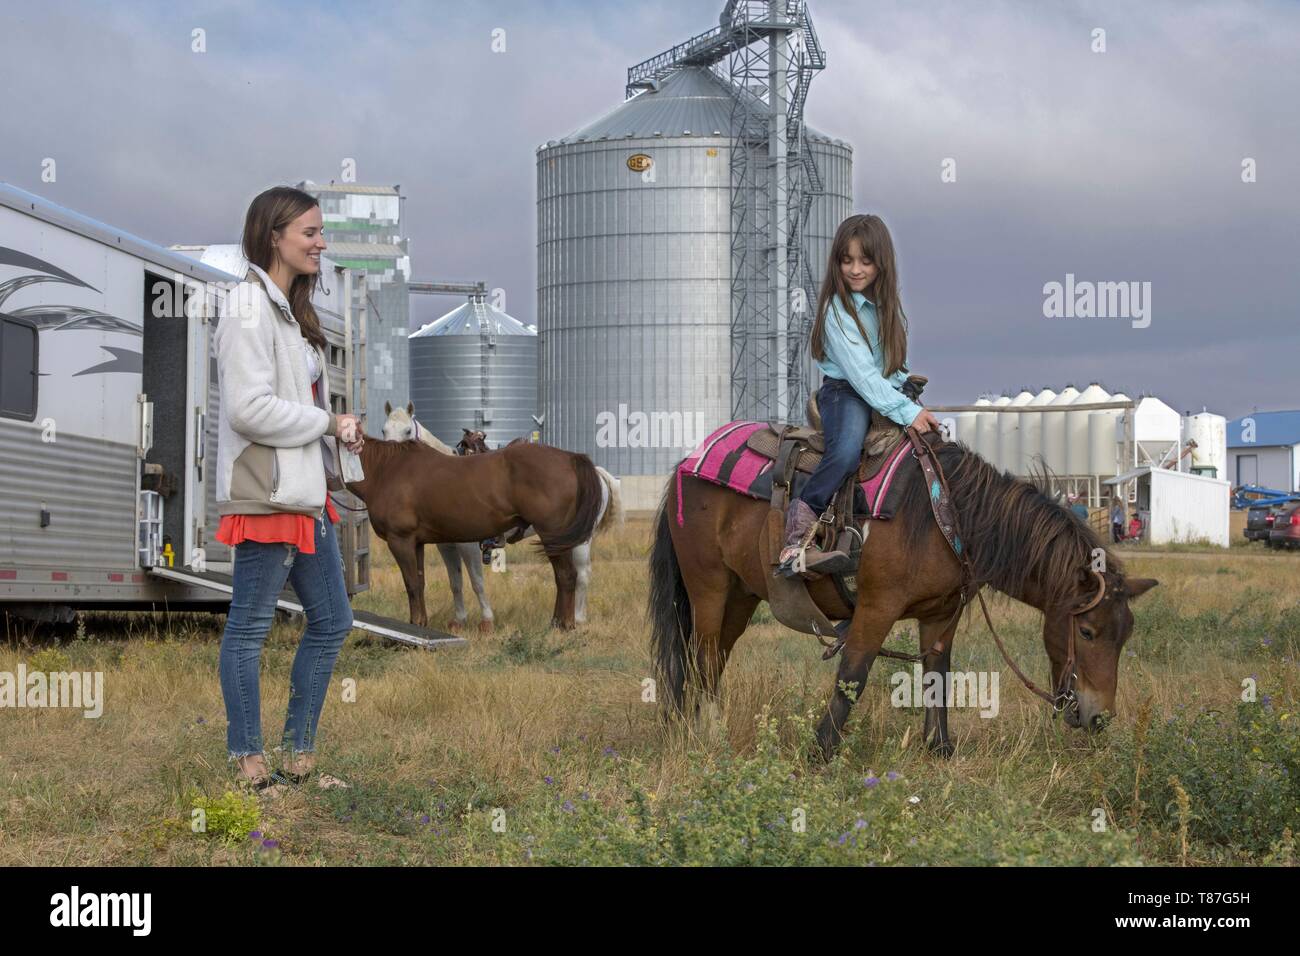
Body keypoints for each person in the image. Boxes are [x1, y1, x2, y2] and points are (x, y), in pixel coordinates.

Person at [212, 185, 365, 795]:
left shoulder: (289, 312)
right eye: (310, 232)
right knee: (249, 630)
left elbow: (295, 405)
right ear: (272, 235)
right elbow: (248, 409)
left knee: (332, 621)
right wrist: (327, 422)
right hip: (269, 497)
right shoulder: (247, 306)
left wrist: (337, 434)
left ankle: (298, 759)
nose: (321, 242)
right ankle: (250, 766)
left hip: (306, 496)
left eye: (321, 232)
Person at [778, 214, 940, 575]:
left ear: (881, 263)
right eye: (847, 260)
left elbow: (892, 362)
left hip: (885, 389)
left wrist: (907, 391)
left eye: (865, 261)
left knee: (929, 447)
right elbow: (863, 376)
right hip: (846, 393)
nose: (855, 269)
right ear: (837, 262)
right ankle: (800, 528)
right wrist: (905, 410)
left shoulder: (888, 307)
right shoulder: (836, 309)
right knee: (847, 451)